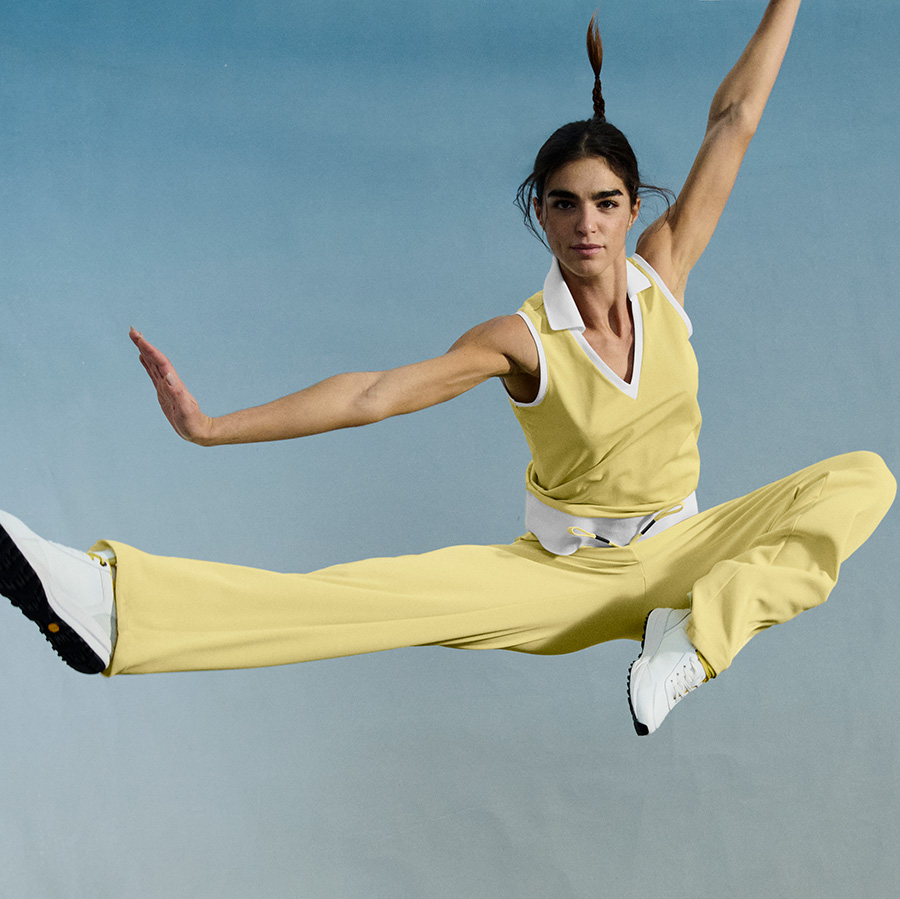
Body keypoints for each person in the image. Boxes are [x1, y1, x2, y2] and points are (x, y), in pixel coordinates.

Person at [0, 0, 894, 736]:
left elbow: (735, 119)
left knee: (863, 479)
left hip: (689, 551)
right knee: (361, 598)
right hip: (563, 578)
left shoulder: (666, 273)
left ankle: (693, 644)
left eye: (605, 203)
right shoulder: (522, 339)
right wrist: (210, 428)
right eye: (564, 204)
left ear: (633, 209)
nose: (586, 224)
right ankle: (111, 610)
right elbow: (372, 394)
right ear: (540, 215)